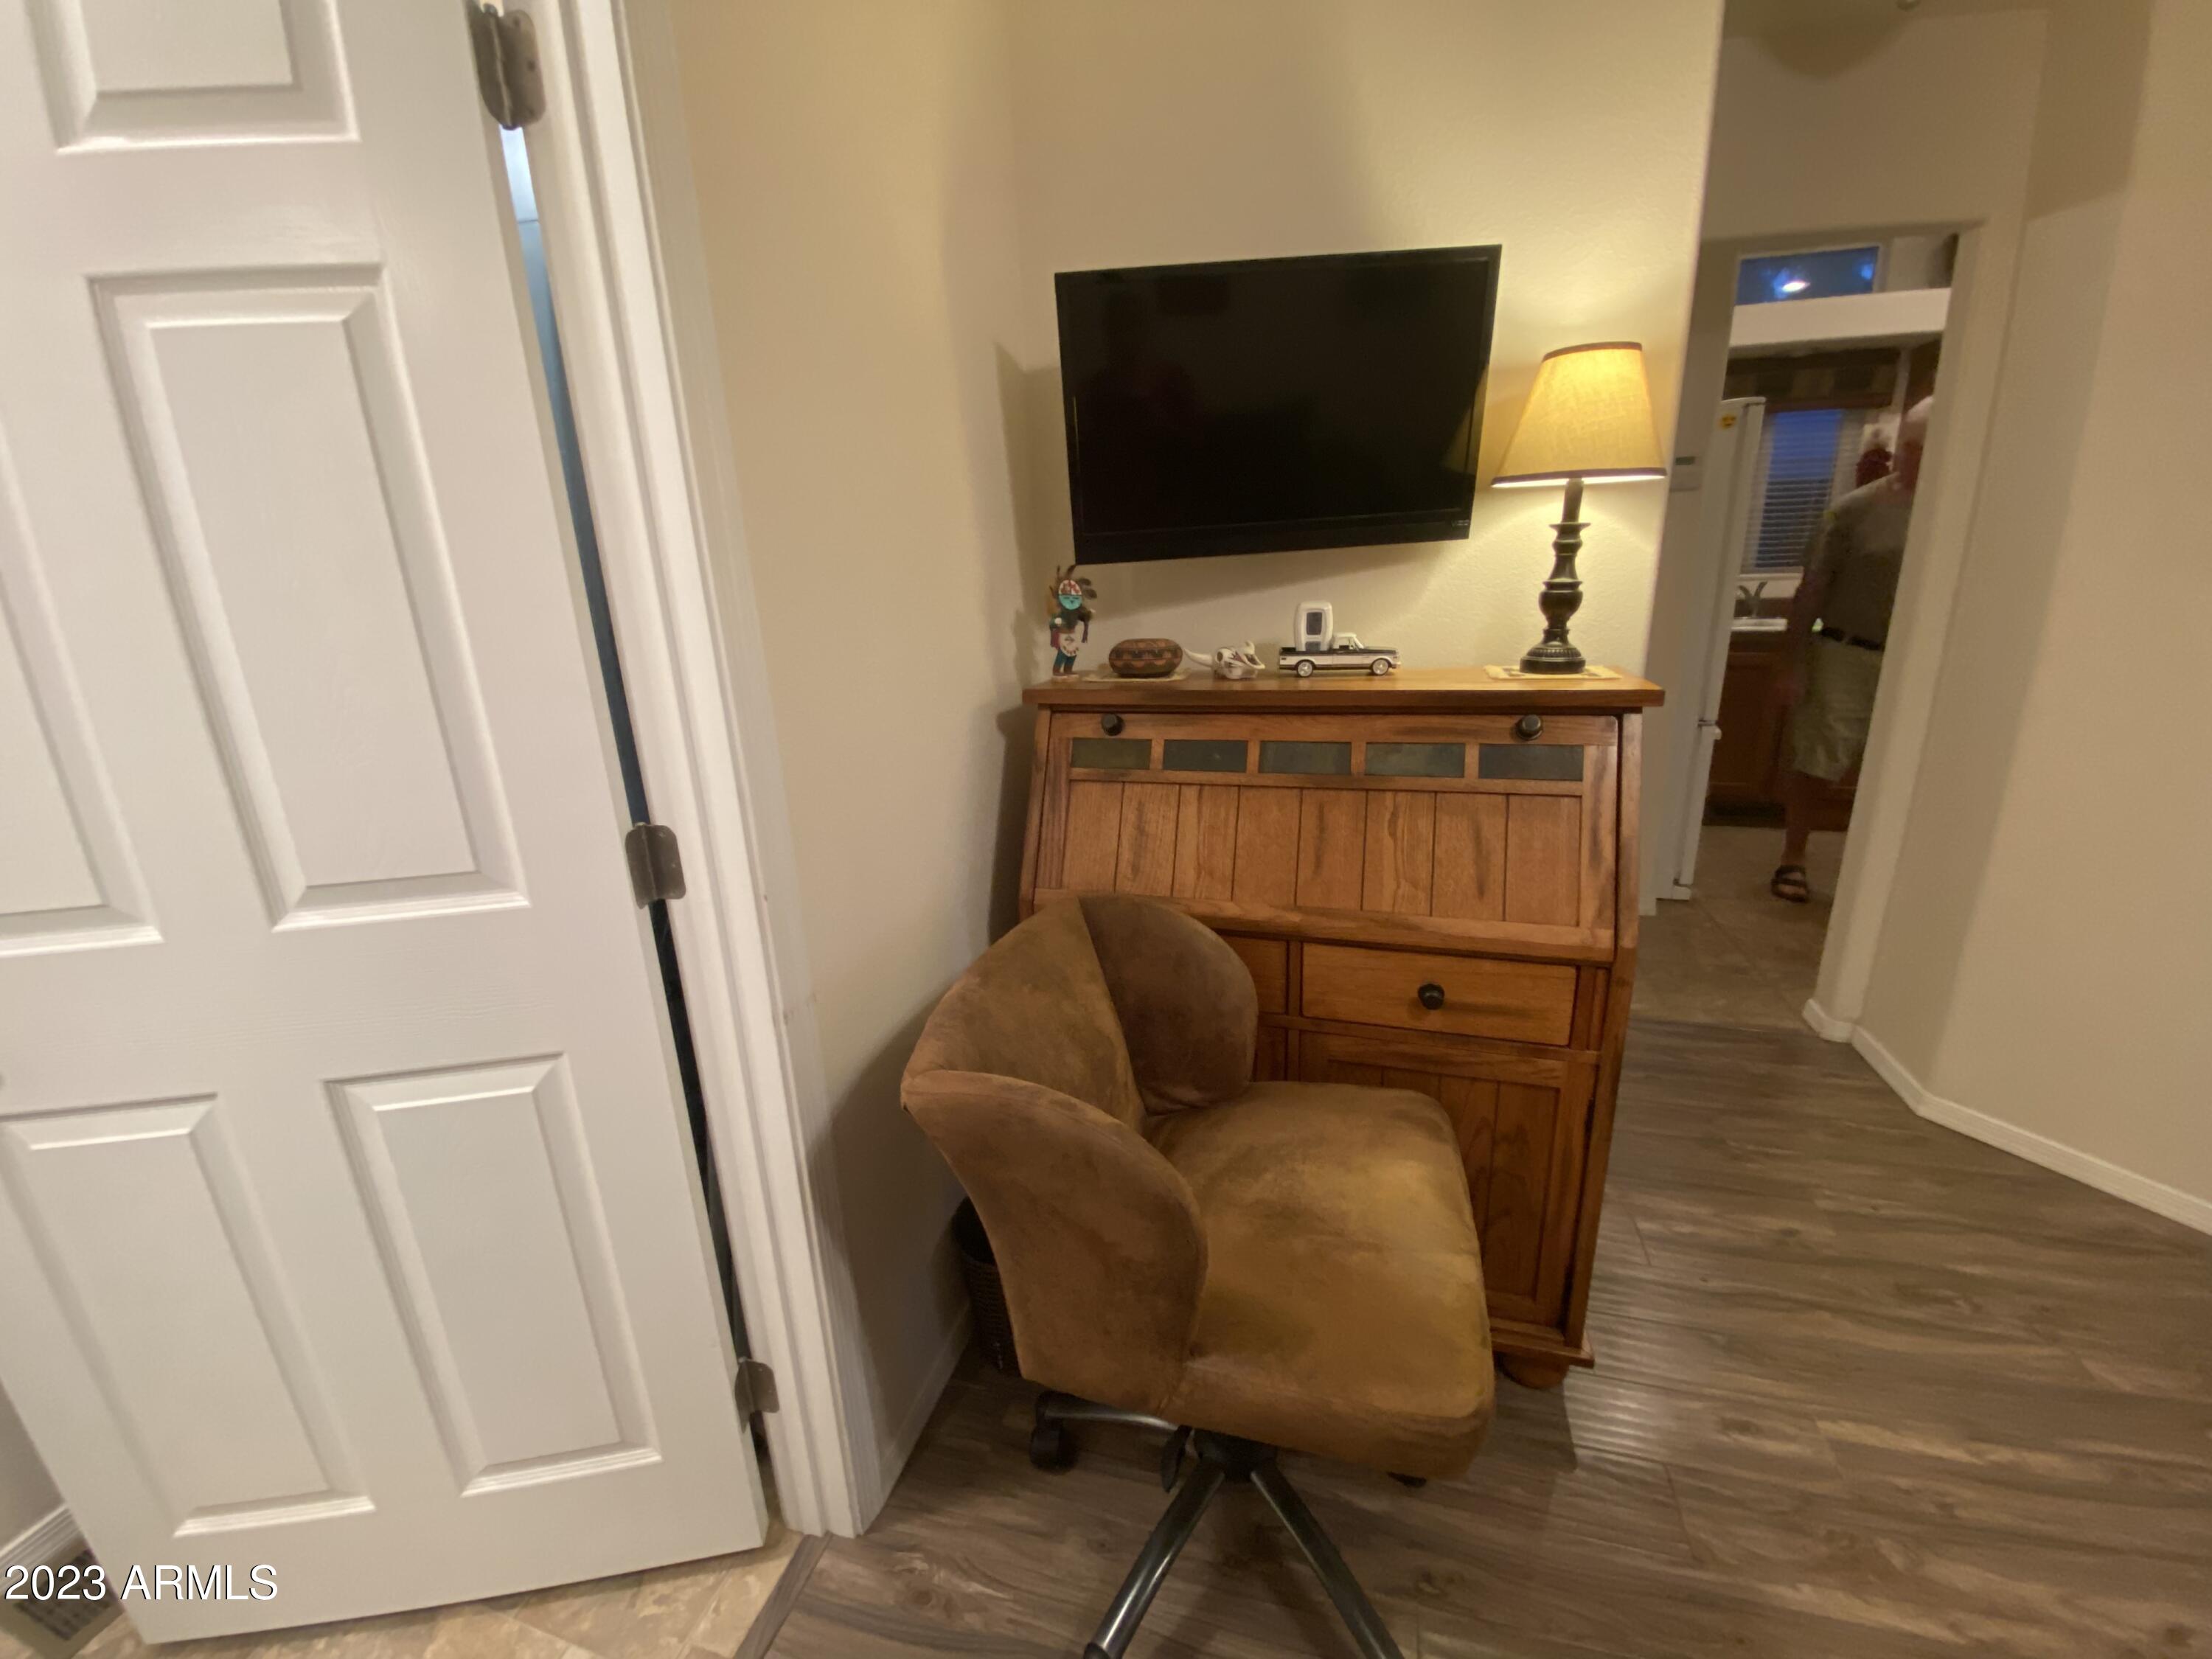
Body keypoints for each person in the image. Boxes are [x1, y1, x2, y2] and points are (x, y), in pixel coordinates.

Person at [1770, 397, 1930, 903]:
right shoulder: (1856, 510)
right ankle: (1793, 856)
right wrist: (1791, 663)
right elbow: (1811, 590)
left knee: (1909, 765)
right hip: (1847, 651)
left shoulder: (1959, 516)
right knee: (1820, 757)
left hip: (1921, 659)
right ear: (1907, 448)